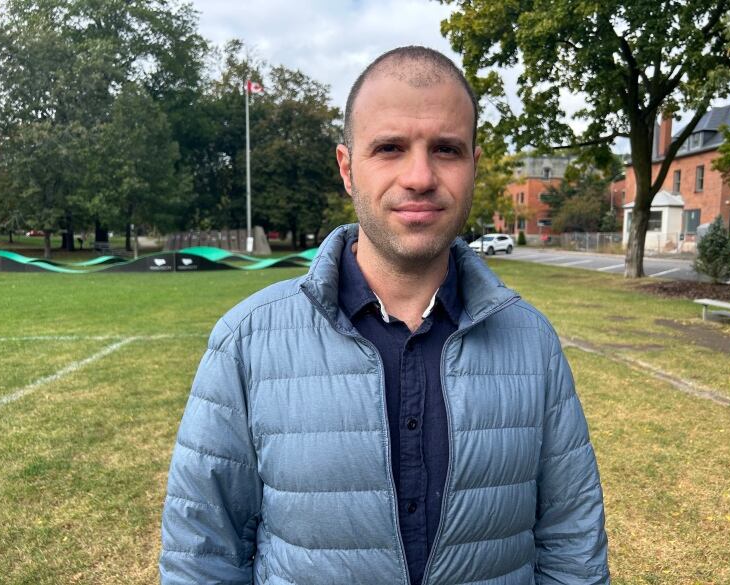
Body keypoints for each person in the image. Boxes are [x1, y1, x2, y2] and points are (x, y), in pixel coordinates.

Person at [160, 46, 609, 585]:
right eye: (390, 148)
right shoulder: (246, 342)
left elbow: (571, 544)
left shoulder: (531, 342)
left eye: (445, 149)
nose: (419, 176)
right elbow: (202, 552)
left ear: (473, 165)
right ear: (347, 168)